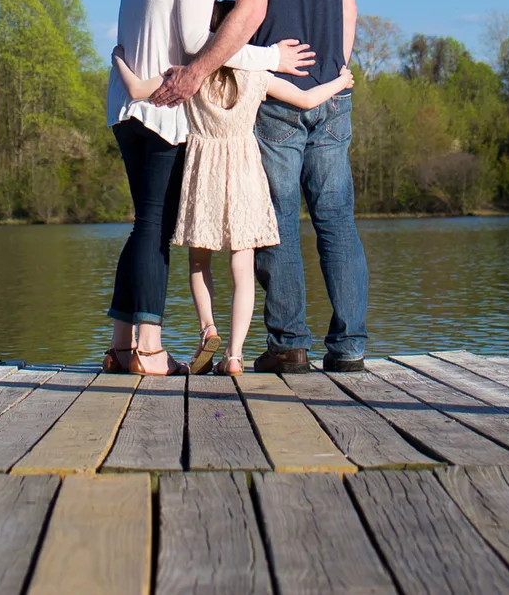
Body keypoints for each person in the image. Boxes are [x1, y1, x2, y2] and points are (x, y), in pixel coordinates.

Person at [150, 0, 367, 374]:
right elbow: (350, 9)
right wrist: (337, 70)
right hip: (330, 92)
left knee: (274, 223)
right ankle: (349, 348)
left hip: (273, 97)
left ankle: (289, 344)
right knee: (337, 220)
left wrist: (199, 69)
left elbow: (248, 12)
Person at [100, 0, 312, 375]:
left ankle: (121, 345)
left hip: (127, 105)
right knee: (155, 225)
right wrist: (271, 59)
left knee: (143, 223)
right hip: (166, 109)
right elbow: (202, 44)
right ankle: (148, 350)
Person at [113, 37, 350, 373]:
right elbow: (309, 99)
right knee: (242, 270)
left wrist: (119, 58)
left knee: (199, 263)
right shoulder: (257, 76)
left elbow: (137, 90)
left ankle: (207, 328)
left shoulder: (188, 77)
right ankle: (235, 355)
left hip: (203, 176)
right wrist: (342, 81)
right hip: (244, 176)